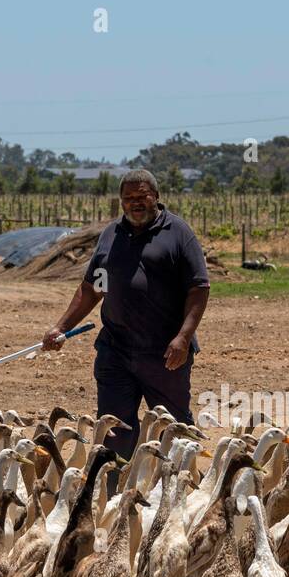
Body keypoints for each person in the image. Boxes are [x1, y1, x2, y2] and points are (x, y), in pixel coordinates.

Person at [42, 168, 209, 456]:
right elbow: (92, 289)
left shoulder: (178, 233)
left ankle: (178, 493)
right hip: (116, 352)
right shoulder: (111, 235)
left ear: (155, 196)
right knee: (113, 430)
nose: (135, 202)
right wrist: (61, 327)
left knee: (174, 430)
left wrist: (183, 337)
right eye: (128, 197)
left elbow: (199, 288)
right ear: (121, 201)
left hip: (165, 355)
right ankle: (115, 494)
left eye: (142, 196)